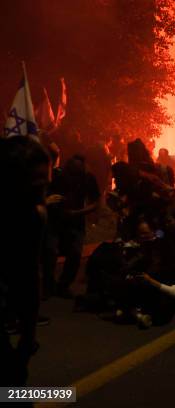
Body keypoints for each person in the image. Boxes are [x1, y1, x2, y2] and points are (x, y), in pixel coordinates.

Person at [0, 136, 50, 386]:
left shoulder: (34, 215)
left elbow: (28, 274)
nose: (42, 191)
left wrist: (28, 335)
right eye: (35, 185)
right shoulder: (29, 215)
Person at [43, 154, 101, 298]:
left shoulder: (87, 178)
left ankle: (63, 285)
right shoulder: (57, 176)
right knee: (50, 252)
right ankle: (48, 285)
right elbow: (43, 193)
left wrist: (77, 212)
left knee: (74, 253)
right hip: (54, 220)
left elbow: (96, 202)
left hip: (75, 222)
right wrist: (48, 200)